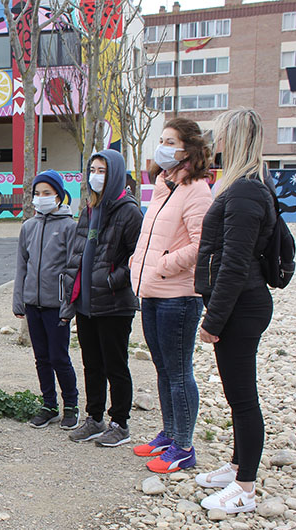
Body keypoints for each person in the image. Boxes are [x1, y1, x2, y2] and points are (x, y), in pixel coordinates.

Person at [194, 108, 276, 514]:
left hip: (241, 307)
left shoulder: (245, 192)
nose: (216, 144)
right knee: (234, 394)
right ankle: (237, 464)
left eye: (221, 136)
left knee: (243, 398)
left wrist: (213, 320)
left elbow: (235, 263)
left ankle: (245, 488)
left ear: (235, 139)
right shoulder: (246, 186)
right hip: (239, 305)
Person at [129, 118, 213, 473]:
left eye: (169, 141)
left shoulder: (196, 191)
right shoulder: (165, 187)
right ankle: (169, 432)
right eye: (160, 140)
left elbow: (200, 244)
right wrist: (140, 263)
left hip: (178, 295)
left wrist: (163, 264)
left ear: (187, 149)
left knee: (179, 373)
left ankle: (184, 446)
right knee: (163, 370)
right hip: (152, 291)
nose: (161, 146)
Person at [65, 149, 143, 447]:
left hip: (114, 304)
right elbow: (78, 252)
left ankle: (120, 423)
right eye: (93, 170)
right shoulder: (89, 208)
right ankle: (94, 417)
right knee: (91, 364)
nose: (96, 176)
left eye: (103, 171)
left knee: (115, 365)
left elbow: (137, 257)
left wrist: (112, 280)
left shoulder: (129, 211)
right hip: (87, 304)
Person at [13, 169, 79, 428]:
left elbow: (72, 269)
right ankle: (49, 404)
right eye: (37, 194)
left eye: (47, 193)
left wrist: (67, 306)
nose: (41, 198)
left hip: (56, 306)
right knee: (41, 357)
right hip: (33, 304)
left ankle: (71, 405)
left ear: (59, 196)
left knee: (59, 356)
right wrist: (19, 299)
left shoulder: (69, 227)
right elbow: (21, 266)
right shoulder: (28, 227)